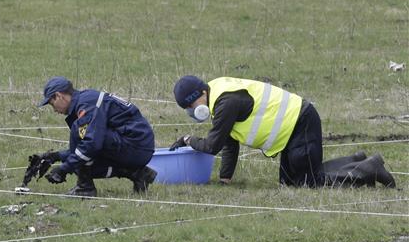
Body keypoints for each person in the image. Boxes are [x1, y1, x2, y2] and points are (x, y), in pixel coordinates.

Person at [169, 75, 395, 188]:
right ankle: (355, 161)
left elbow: (212, 146)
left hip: (300, 122)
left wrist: (189, 139)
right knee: (290, 183)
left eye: (190, 105)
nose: (191, 111)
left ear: (200, 94)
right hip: (292, 130)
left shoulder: (225, 102)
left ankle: (369, 169)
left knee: (307, 182)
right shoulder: (218, 95)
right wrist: (224, 180)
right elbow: (229, 142)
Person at [37, 76, 157, 197]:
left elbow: (91, 144)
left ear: (59, 96)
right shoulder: (85, 101)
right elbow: (87, 145)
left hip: (136, 145)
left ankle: (85, 188)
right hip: (136, 145)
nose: (54, 110)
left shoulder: (87, 105)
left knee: (81, 146)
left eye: (52, 104)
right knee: (80, 158)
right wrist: (56, 156)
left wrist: (64, 168)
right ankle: (138, 174)